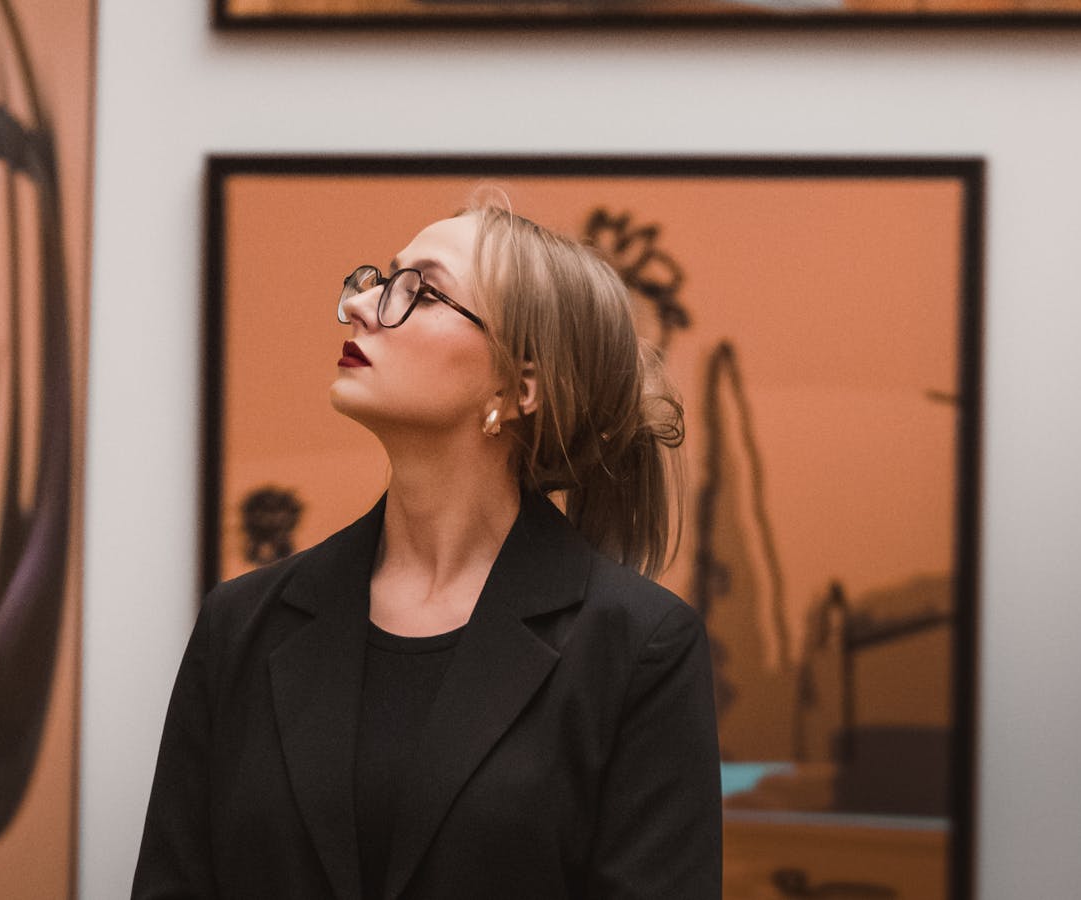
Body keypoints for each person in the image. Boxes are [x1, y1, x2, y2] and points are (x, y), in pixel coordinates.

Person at [132, 200, 722, 899]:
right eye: (380, 278)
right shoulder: (242, 624)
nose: (357, 304)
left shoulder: (637, 647)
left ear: (518, 384)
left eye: (420, 291)